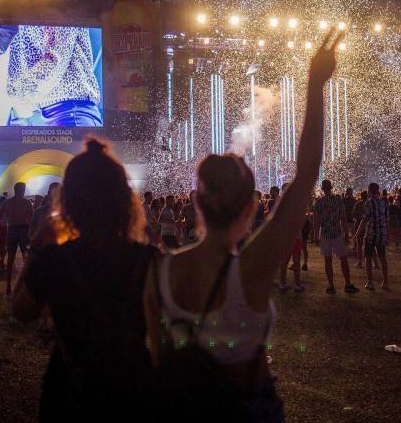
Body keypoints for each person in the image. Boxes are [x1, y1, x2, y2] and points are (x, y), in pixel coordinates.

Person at [143, 29, 344, 422]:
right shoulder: (251, 270)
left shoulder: (158, 273)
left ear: (196, 203)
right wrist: (315, 85)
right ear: (252, 207)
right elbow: (305, 177)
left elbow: (158, 361)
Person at [13, 138, 155, 421]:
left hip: (70, 390)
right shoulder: (150, 260)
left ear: (69, 201)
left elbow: (21, 311)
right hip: (135, 389)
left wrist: (36, 251)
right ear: (124, 200)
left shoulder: (53, 259)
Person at [314, 179, 359, 294]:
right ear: (331, 187)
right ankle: (347, 284)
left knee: (328, 260)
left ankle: (331, 285)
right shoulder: (338, 200)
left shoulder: (319, 202)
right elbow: (343, 218)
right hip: (337, 233)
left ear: (323, 189)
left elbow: (316, 221)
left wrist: (315, 236)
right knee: (343, 259)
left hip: (325, 234)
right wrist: (346, 234)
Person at [0, 182, 34, 295]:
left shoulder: (8, 202)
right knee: (25, 258)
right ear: (22, 190)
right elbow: (31, 219)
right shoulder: (27, 202)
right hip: (23, 228)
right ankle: (27, 286)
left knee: (11, 258)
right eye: (24, 189)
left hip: (12, 228)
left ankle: (8, 284)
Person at [353, 183, 389, 291]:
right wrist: (387, 234)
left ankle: (370, 282)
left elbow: (364, 220)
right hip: (381, 234)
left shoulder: (368, 203)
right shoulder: (384, 202)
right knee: (382, 258)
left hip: (371, 234)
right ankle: (385, 282)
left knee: (368, 258)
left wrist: (357, 233)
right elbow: (387, 220)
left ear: (369, 190)